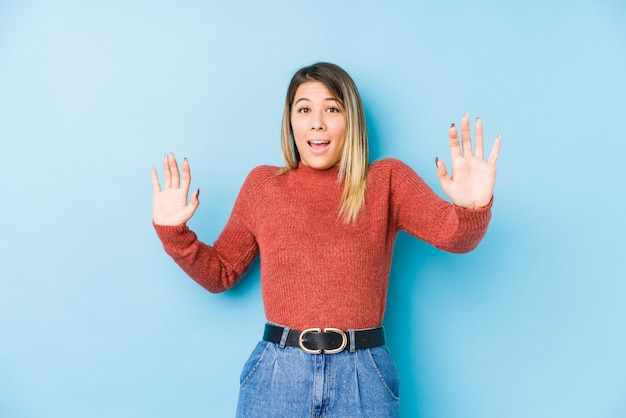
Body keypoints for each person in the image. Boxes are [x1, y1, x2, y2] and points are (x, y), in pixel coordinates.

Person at [151, 62, 501, 417]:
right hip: (277, 376)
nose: (316, 122)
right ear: (290, 120)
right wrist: (174, 233)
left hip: (362, 377)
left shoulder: (385, 181)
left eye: (331, 108)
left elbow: (454, 236)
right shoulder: (263, 187)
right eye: (304, 109)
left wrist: (471, 207)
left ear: (351, 120)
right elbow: (221, 272)